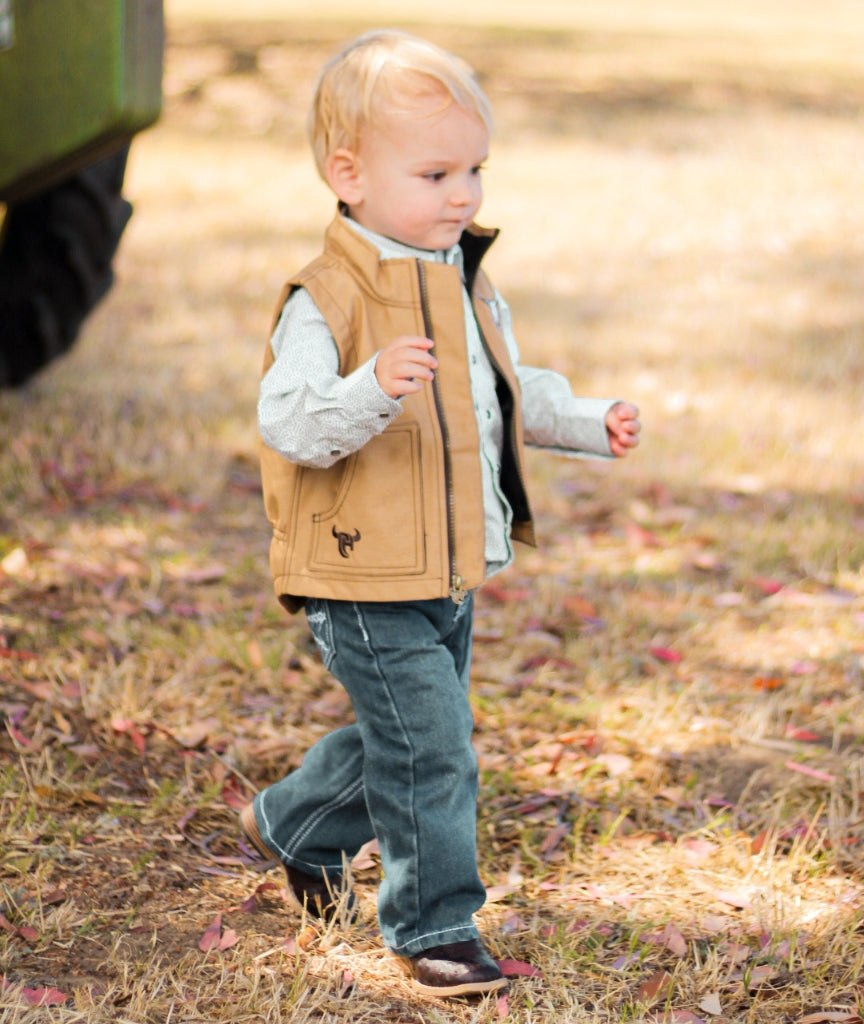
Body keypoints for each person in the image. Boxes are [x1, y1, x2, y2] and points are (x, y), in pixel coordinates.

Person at [240, 29, 641, 999]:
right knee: (434, 745)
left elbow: (504, 389)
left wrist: (588, 419)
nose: (462, 194)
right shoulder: (325, 297)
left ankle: (294, 820)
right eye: (434, 172)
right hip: (359, 571)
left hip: (447, 563)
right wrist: (371, 388)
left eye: (474, 169)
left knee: (415, 732)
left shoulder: (459, 275)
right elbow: (287, 420)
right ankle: (435, 923)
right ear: (350, 173)